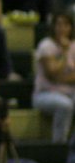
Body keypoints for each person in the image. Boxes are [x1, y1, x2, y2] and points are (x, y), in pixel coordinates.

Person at [32, 12, 75, 143]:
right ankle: (59, 147)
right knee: (65, 106)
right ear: (53, 27)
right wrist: (64, 52)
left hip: (70, 92)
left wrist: (61, 78)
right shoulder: (46, 45)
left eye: (66, 24)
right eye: (59, 24)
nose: (62, 28)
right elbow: (52, 73)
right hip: (45, 94)